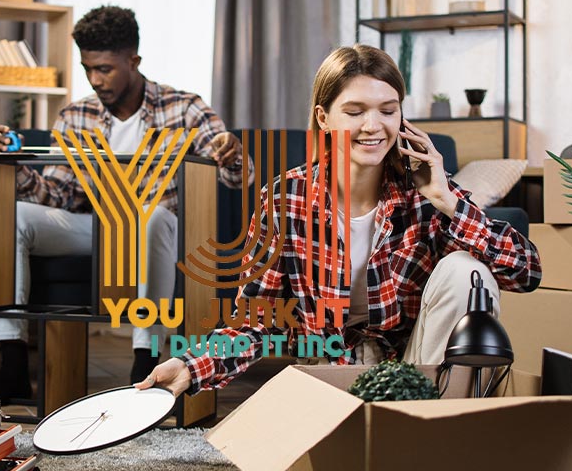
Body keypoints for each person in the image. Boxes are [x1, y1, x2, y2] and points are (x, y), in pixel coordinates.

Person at [136, 44, 541, 397]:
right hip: (330, 371)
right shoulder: (286, 198)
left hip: (417, 372)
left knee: (467, 271)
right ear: (324, 118)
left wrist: (447, 200)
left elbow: (526, 272)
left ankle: (436, 429)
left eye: (388, 110)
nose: (373, 126)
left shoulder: (427, 193)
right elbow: (257, 321)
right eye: (355, 111)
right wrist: (191, 367)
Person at [0, 5, 250, 396]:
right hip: (93, 228)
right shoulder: (76, 116)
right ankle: (12, 364)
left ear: (133, 60)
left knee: (153, 215)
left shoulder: (185, 107)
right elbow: (61, 194)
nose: (95, 80)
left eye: (105, 69)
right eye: (88, 68)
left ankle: (144, 361)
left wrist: (232, 153)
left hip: (156, 229)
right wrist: (15, 169)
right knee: (17, 215)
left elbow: (238, 178)